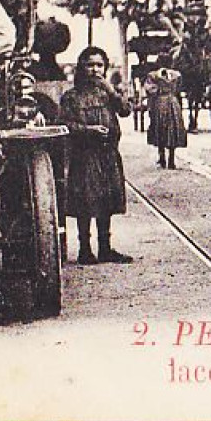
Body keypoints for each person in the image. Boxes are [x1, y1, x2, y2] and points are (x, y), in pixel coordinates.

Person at [59, 47, 132, 263]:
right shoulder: (72, 96)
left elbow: (126, 110)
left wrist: (110, 90)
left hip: (108, 154)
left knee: (106, 201)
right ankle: (84, 249)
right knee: (86, 202)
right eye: (90, 65)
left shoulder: (107, 94)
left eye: (99, 65)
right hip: (85, 155)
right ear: (81, 67)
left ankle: (105, 247)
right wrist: (88, 130)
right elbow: (65, 124)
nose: (95, 70)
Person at [144, 62, 188, 169]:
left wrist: (158, 90)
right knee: (173, 129)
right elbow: (180, 87)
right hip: (173, 103)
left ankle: (162, 157)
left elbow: (150, 89)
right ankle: (171, 159)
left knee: (160, 129)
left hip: (160, 103)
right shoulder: (176, 75)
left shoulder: (153, 76)